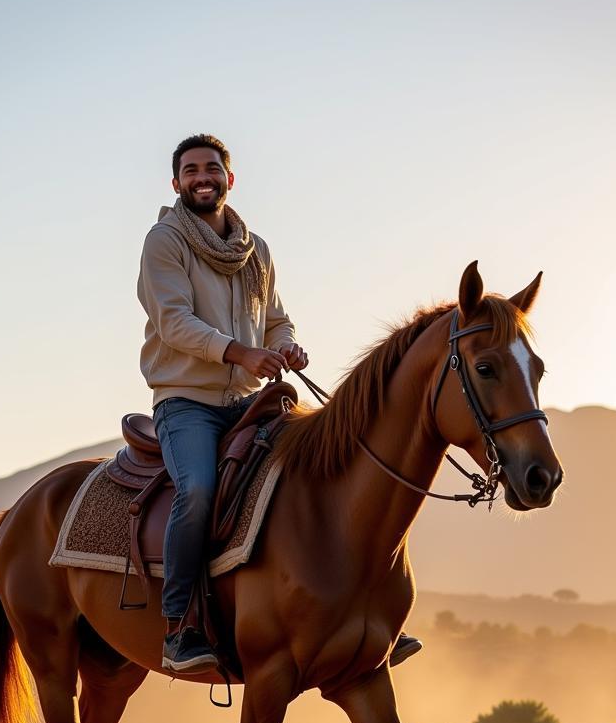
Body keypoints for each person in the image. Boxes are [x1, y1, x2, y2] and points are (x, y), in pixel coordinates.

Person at [137, 133, 422, 673]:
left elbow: (276, 317)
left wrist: (285, 344)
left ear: (230, 178)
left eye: (212, 168)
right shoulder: (164, 241)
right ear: (177, 183)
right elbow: (173, 322)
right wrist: (241, 353)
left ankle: (367, 611)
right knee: (196, 490)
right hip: (187, 402)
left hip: (250, 401)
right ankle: (179, 625)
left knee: (329, 471)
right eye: (192, 170)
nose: (203, 177)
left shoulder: (255, 249)